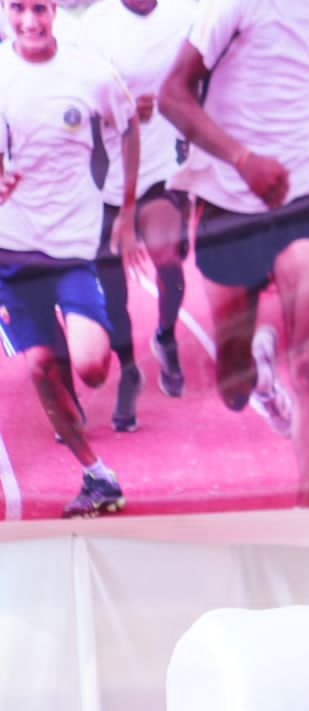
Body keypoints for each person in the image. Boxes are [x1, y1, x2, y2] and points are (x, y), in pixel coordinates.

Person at [160, 0, 309, 507]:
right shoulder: (230, 7)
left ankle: (307, 525)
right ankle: (255, 369)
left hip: (293, 205)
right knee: (233, 386)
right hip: (226, 206)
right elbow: (172, 95)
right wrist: (244, 160)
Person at [0, 0, 142, 517]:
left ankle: (67, 353)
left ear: (54, 9)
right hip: (12, 250)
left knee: (92, 366)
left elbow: (130, 127)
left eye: (38, 8)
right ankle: (97, 476)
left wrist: (127, 207)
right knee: (41, 366)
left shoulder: (90, 74)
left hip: (71, 247)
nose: (29, 21)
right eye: (18, 8)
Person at [78, 0, 198, 425]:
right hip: (105, 182)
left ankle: (165, 335)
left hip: (161, 170)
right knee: (115, 292)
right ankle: (129, 368)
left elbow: (202, 77)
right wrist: (118, 113)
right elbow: (75, 107)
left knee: (168, 259)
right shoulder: (94, 26)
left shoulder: (184, 14)